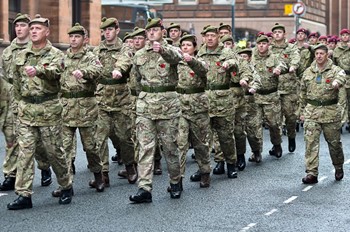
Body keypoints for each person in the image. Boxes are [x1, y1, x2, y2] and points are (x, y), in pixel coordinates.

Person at [8, 14, 73, 210]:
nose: (34, 31)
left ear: (47, 32)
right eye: (32, 28)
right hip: (26, 111)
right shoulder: (20, 55)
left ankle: (66, 185)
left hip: (48, 110)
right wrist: (17, 106)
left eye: (38, 28)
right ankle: (23, 194)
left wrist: (39, 70)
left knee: (54, 153)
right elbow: (16, 85)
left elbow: (57, 72)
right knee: (25, 153)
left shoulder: (55, 54)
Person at [129, 18, 183, 203]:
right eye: (149, 31)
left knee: (170, 147)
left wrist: (163, 50)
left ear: (163, 32)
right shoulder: (139, 54)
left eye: (155, 30)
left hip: (167, 105)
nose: (151, 33)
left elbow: (177, 58)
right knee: (145, 148)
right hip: (145, 105)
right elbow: (135, 81)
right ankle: (144, 188)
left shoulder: (172, 49)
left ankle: (175, 181)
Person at [51, 23, 105, 197]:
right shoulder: (63, 57)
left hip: (85, 108)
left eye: (77, 37)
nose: (73, 39)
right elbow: (55, 73)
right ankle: (66, 184)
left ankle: (98, 175)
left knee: (90, 147)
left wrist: (84, 72)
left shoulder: (90, 57)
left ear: (85, 39)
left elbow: (98, 70)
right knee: (65, 148)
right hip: (66, 108)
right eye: (71, 37)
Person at [0, 13, 53, 191]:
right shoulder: (7, 52)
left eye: (23, 25)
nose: (19, 29)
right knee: (12, 139)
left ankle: (45, 166)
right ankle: (10, 175)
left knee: (38, 142)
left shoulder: (36, 50)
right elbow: (5, 79)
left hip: (33, 102)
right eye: (17, 26)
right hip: (12, 101)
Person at [93, 17, 137, 186]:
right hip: (102, 98)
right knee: (100, 137)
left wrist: (119, 69)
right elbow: (93, 66)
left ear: (117, 31)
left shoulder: (125, 47)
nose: (107, 33)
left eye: (110, 29)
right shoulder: (98, 49)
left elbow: (125, 59)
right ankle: (103, 173)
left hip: (121, 98)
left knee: (125, 137)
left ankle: (130, 166)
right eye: (104, 30)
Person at [299, 44, 346, 184]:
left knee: (334, 144)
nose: (319, 56)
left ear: (327, 55)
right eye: (317, 53)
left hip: (330, 113)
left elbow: (342, 76)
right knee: (310, 143)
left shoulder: (335, 70)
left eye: (321, 53)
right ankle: (312, 173)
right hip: (311, 112)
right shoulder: (308, 72)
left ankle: (338, 167)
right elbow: (302, 92)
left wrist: (337, 82)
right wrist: (301, 111)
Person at [197, 25, 238, 178]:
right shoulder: (200, 53)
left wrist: (229, 63)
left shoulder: (226, 51)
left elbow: (235, 60)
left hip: (222, 101)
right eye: (207, 36)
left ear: (218, 37)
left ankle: (231, 164)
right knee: (203, 138)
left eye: (212, 36)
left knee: (226, 136)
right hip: (204, 100)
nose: (209, 38)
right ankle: (204, 168)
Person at [175, 34, 211, 187]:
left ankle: (205, 172)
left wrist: (192, 60)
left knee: (200, 144)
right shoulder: (176, 63)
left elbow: (203, 70)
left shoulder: (200, 61)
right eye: (183, 45)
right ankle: (178, 179)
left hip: (198, 108)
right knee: (180, 144)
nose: (185, 47)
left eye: (188, 45)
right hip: (180, 107)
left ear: (195, 48)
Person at [248, 34, 287, 162]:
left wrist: (278, 69)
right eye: (259, 44)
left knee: (274, 124)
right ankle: (256, 151)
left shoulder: (274, 57)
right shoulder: (252, 58)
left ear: (268, 45)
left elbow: (284, 65)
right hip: (256, 97)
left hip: (271, 96)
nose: (261, 46)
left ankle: (277, 145)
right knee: (254, 126)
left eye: (264, 43)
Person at [270, 23, 300, 154]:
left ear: (284, 34)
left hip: (288, 88)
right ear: (272, 35)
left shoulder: (291, 47)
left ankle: (291, 136)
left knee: (290, 117)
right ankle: (276, 145)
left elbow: (296, 58)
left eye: (279, 32)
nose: (277, 34)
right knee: (274, 120)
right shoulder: (269, 48)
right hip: (273, 88)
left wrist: (293, 66)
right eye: (275, 32)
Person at [332, 28, 350, 131]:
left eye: (347, 35)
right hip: (342, 78)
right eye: (343, 35)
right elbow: (334, 64)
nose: (345, 37)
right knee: (342, 101)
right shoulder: (337, 50)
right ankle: (341, 122)